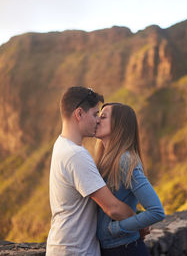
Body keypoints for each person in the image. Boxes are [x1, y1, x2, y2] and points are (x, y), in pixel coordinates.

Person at [46, 87, 136, 256]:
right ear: (79, 114)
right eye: (95, 114)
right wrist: (141, 222)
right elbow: (113, 208)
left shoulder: (61, 145)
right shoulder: (76, 155)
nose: (97, 120)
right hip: (75, 251)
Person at [95, 102, 165, 256]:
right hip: (111, 249)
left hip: (126, 249)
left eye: (103, 117)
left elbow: (156, 211)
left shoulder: (125, 160)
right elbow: (125, 198)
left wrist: (115, 228)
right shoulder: (104, 160)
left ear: (119, 126)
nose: (97, 120)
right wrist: (136, 216)